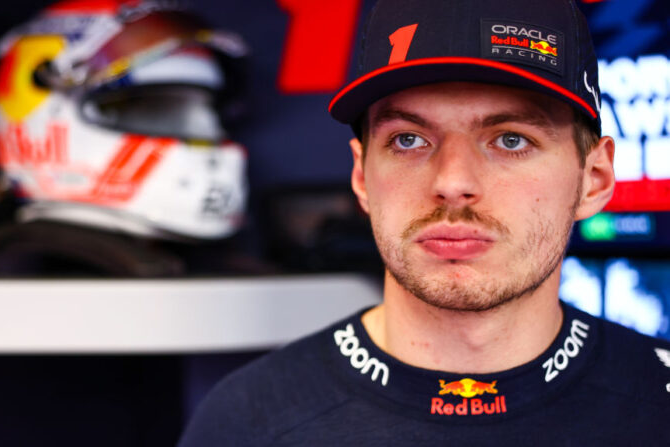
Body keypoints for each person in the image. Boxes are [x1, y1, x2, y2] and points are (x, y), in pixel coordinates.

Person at [178, 0, 670, 444]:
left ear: (595, 179)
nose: (452, 182)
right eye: (409, 140)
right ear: (361, 176)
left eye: (512, 139)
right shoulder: (247, 420)